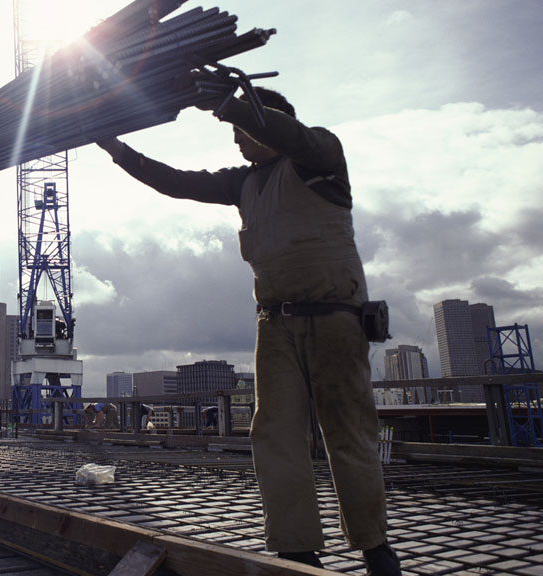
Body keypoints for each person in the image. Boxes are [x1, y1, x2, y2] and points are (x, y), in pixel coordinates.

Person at [97, 87, 400, 575]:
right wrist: (118, 149)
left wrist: (228, 104)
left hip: (333, 317)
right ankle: (297, 548)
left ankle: (374, 546)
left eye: (243, 130)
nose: (237, 140)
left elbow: (292, 136)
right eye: (234, 132)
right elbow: (176, 182)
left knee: (348, 432)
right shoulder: (245, 183)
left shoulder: (318, 156)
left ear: (269, 121)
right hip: (275, 324)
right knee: (275, 433)